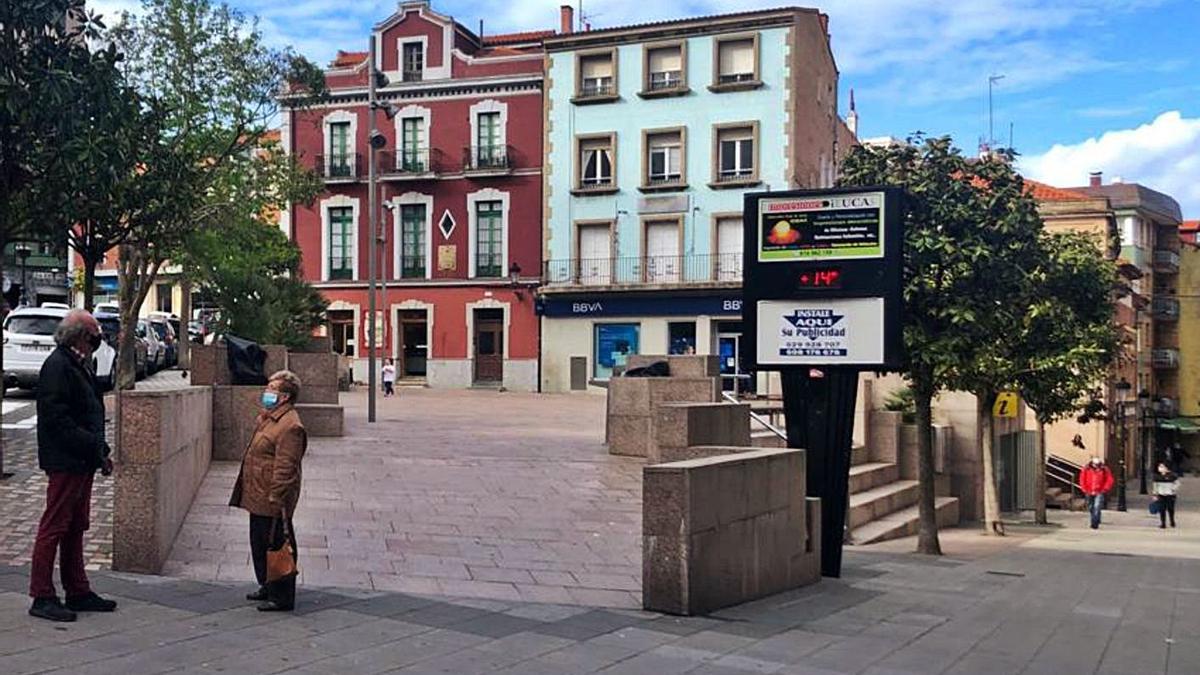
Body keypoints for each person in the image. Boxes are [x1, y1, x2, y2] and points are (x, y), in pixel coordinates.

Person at [28, 310, 118, 622]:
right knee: (54, 525)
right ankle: (42, 595)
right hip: (65, 460)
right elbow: (57, 420)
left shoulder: (79, 363)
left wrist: (99, 452)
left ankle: (77, 590)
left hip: (82, 460)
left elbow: (89, 411)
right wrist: (91, 445)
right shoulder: (58, 366)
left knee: (76, 526)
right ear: (81, 335)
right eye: (94, 331)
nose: (99, 336)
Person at [229, 370, 308, 611]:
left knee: (277, 544)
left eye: (272, 389)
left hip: (272, 498)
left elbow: (286, 466)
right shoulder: (270, 419)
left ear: (284, 397)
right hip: (258, 493)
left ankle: (282, 595)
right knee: (260, 542)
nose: (267, 393)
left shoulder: (291, 425)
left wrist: (276, 497)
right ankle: (267, 584)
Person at [1079, 456, 1115, 530]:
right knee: (1091, 507)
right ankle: (1096, 518)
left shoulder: (1104, 469)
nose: (1096, 466)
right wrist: (1084, 488)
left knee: (1097, 506)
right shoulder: (1086, 469)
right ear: (1092, 463)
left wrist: (1105, 488)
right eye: (1095, 464)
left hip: (1099, 491)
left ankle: (1094, 523)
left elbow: (1109, 479)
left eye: (1097, 464)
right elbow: (1082, 479)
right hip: (1089, 490)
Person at [1152, 462, 1179, 529]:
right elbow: (1155, 486)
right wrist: (1155, 494)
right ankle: (1163, 523)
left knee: (1170, 509)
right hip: (1161, 495)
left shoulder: (1172, 475)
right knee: (1162, 509)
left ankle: (1172, 521)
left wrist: (1173, 489)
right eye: (1159, 467)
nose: (1160, 468)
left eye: (1162, 467)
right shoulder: (1157, 476)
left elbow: (1177, 484)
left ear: (1166, 468)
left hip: (1170, 495)